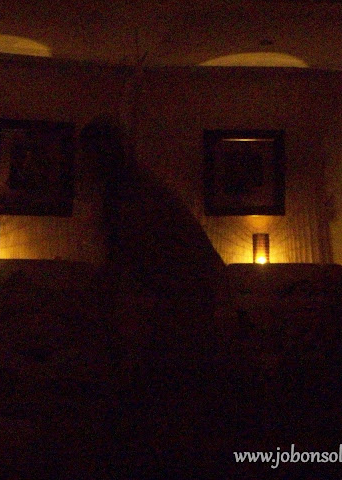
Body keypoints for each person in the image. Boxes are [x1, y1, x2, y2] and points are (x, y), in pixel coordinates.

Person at [78, 116, 236, 477]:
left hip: (183, 301)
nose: (83, 168)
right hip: (187, 299)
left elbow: (123, 264)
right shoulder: (138, 188)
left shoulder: (127, 195)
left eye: (87, 158)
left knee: (160, 399)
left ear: (98, 156)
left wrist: (100, 312)